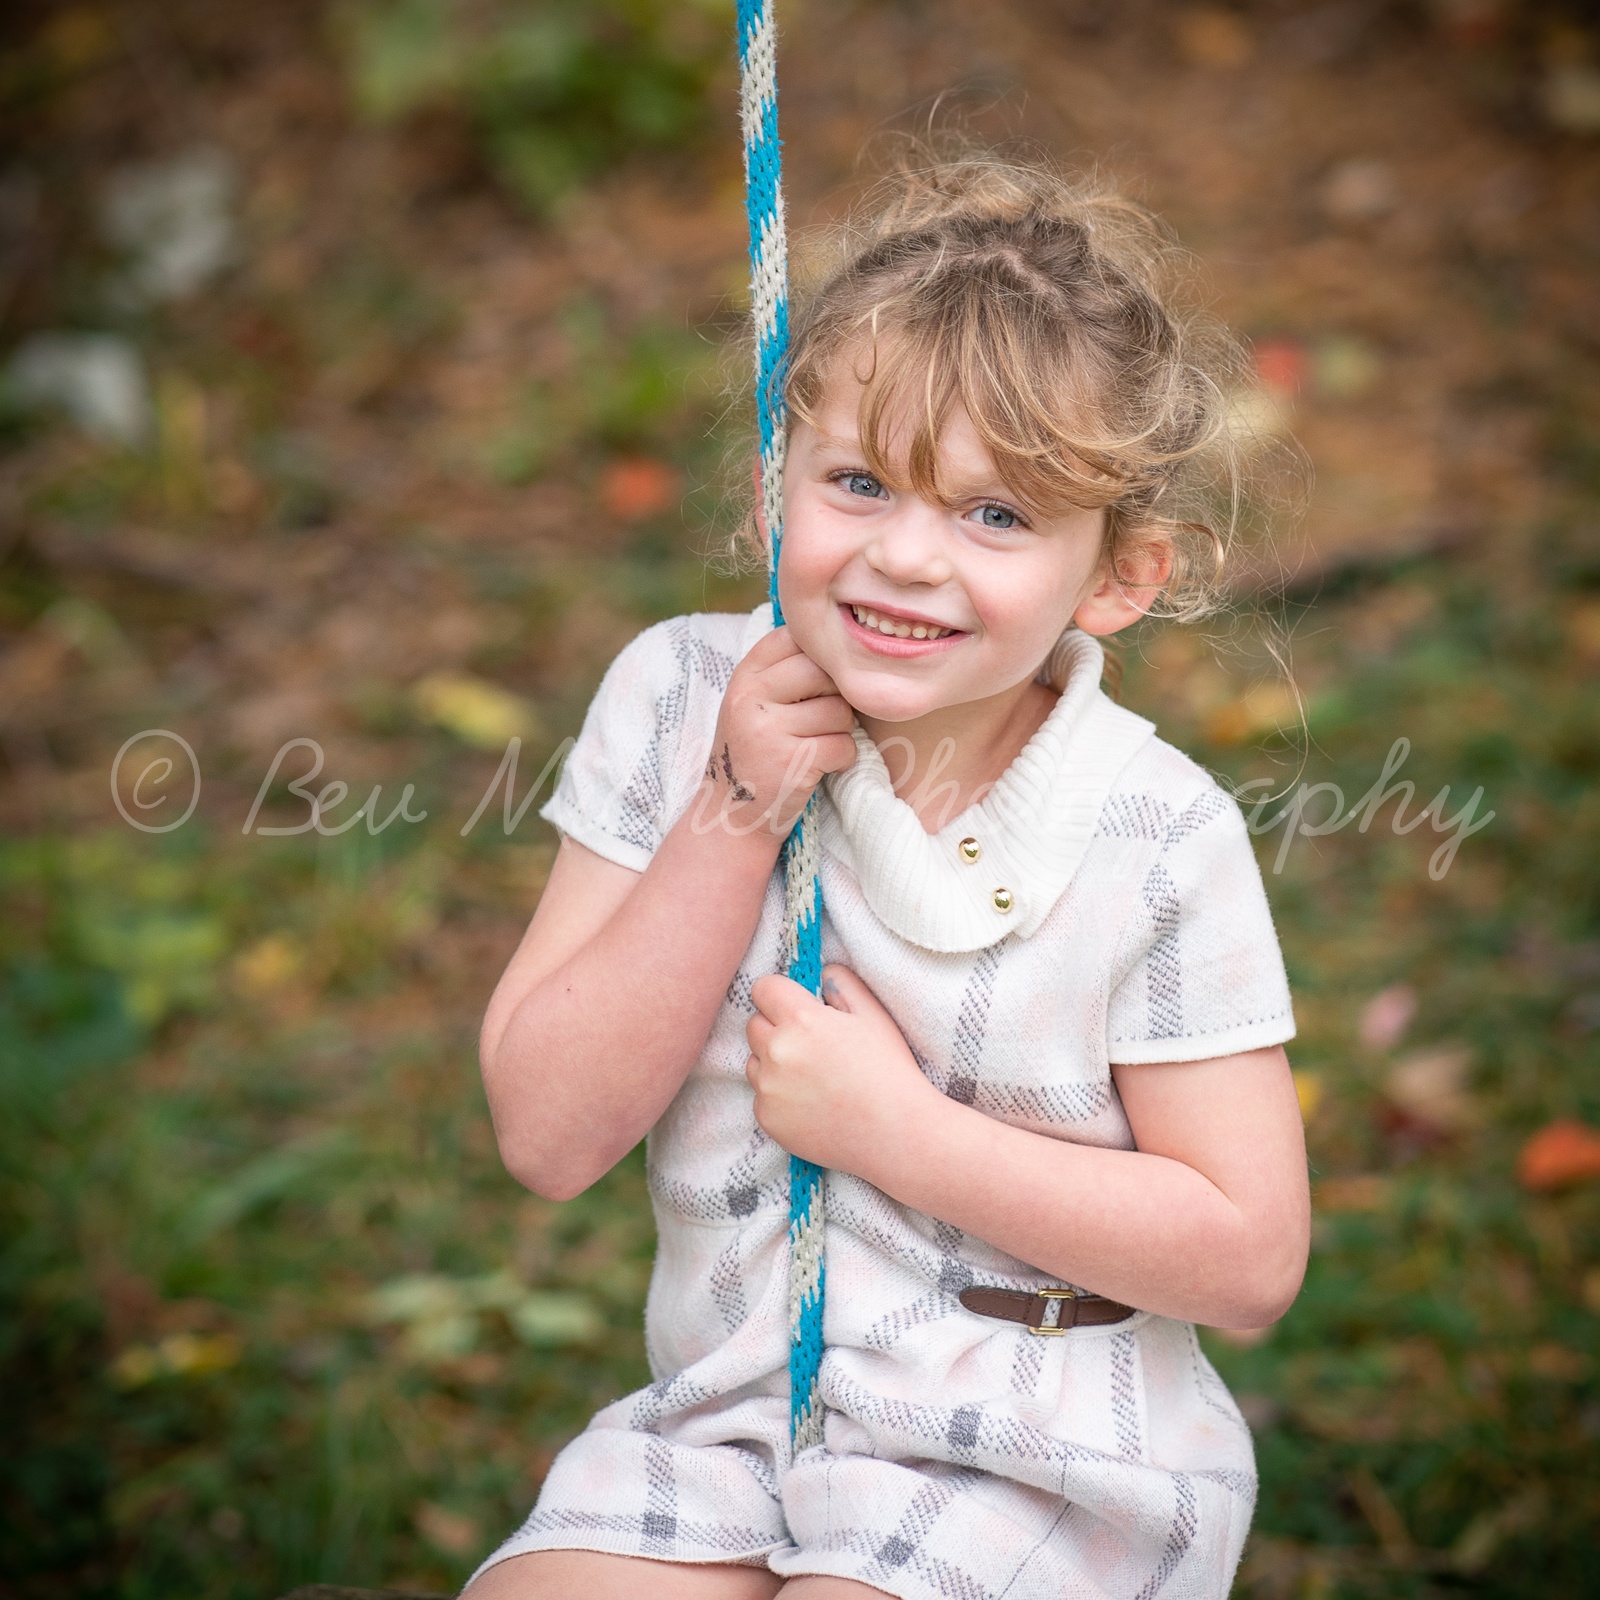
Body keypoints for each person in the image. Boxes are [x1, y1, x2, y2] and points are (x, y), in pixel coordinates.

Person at [464, 154, 1309, 1600]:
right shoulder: (678, 699)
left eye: (997, 515)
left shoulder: (1155, 833)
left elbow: (1248, 1260)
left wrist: (899, 1135)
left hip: (1043, 1457)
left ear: (1120, 575)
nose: (907, 557)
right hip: (730, 1428)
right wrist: (736, 810)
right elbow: (547, 1136)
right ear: (772, 484)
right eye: (858, 483)